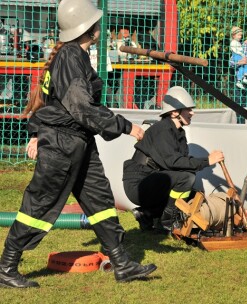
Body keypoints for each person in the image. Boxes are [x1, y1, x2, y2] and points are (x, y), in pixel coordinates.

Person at [0, 0, 157, 289]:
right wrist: (125, 126)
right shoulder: (71, 58)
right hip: (62, 145)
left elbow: (49, 102)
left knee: (100, 201)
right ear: (88, 28)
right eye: (96, 22)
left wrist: (36, 131)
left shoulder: (72, 56)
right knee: (40, 206)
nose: (100, 26)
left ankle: (121, 262)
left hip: (79, 142)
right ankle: (7, 267)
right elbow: (82, 109)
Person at [123, 86, 225, 233]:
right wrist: (207, 161)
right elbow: (174, 162)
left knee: (192, 192)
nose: (192, 113)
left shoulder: (178, 133)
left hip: (152, 180)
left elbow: (181, 163)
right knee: (186, 178)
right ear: (174, 112)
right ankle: (167, 221)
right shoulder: (162, 130)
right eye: (188, 109)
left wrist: (204, 162)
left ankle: (147, 214)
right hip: (138, 183)